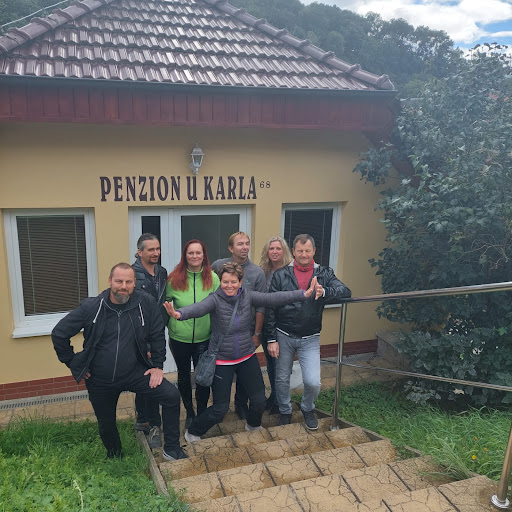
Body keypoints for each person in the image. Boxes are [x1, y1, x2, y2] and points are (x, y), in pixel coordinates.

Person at [164, 262, 321, 442]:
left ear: (240, 282)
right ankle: (193, 430)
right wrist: (179, 314)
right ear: (220, 282)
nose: (229, 286)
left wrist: (303, 294)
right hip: (222, 359)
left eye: (233, 282)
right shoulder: (214, 299)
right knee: (220, 408)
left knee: (259, 400)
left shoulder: (247, 296)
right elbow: (198, 308)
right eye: (225, 282)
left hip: (247, 356)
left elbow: (273, 298)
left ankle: (253, 424)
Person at [51, 263, 186, 461]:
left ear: (134, 283)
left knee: (171, 395)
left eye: (128, 282)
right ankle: (115, 457)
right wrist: (73, 362)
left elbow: (157, 334)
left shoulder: (145, 303)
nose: (123, 286)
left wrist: (157, 366)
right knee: (106, 422)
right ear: (110, 281)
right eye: (119, 281)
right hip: (100, 377)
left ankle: (172, 449)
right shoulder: (92, 307)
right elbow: (59, 334)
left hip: (135, 372)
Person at [266, 234, 351, 430]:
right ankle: (285, 411)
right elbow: (271, 307)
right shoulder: (281, 275)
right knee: (281, 378)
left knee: (313, 382)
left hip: (310, 337)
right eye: (300, 251)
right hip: (283, 334)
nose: (303, 254)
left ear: (314, 251)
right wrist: (271, 339)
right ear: (293, 252)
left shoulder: (324, 273)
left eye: (307, 251)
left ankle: (307, 408)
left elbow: (345, 291)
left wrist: (325, 292)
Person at [211, 232, 266, 420]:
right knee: (223, 374)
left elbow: (261, 306)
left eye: (247, 243)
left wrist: (257, 333)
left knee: (246, 371)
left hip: (246, 330)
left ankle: (241, 404)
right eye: (240, 244)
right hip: (223, 332)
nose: (244, 247)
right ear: (230, 248)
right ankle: (219, 407)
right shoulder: (218, 266)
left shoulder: (257, 272)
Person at [166, 239, 220, 429]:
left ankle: (202, 412)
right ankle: (189, 411)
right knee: (183, 375)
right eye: (191, 253)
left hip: (204, 337)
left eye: (198, 253)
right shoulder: (174, 279)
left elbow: (220, 305)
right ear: (185, 256)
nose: (194, 256)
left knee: (202, 377)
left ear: (204, 255)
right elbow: (164, 305)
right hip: (179, 337)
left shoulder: (213, 278)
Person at [132, 233, 168, 449]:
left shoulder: (162, 272)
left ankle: (143, 419)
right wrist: (144, 346)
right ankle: (154, 425)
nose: (156, 253)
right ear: (140, 252)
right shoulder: (133, 275)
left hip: (157, 332)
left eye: (158, 249)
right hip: (141, 337)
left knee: (147, 378)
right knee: (151, 380)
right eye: (151, 249)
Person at [259, 236, 293, 414]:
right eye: (271, 248)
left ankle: (281, 402)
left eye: (278, 248)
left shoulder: (290, 272)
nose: (274, 251)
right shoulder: (263, 272)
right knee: (271, 364)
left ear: (284, 251)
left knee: (281, 365)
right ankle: (274, 396)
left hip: (283, 325)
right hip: (266, 324)